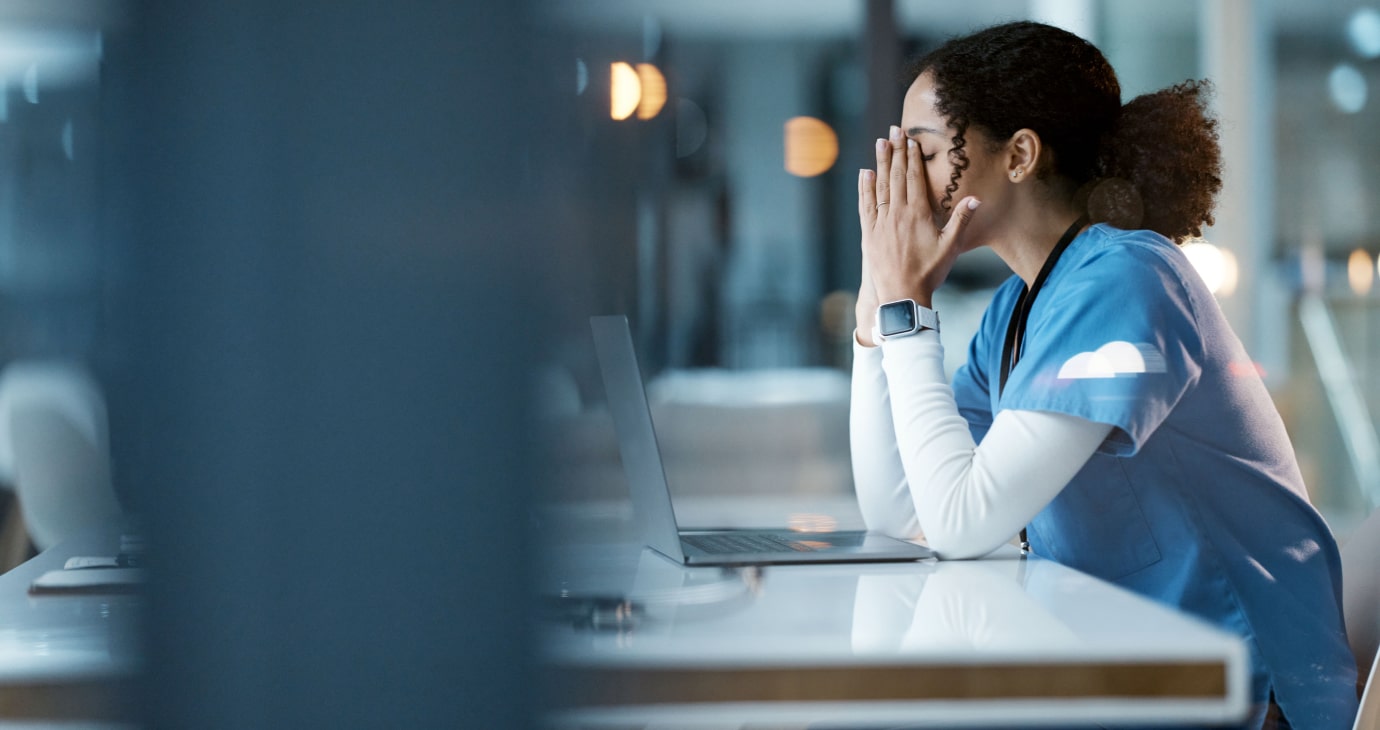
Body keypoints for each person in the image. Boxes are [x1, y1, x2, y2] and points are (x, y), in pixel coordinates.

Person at [850, 21, 1357, 730]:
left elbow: (961, 521)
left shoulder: (1128, 281)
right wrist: (879, 306)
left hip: (1240, 695)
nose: (906, 182)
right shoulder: (1016, 311)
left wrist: (909, 308)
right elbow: (904, 514)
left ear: (1020, 154)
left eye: (925, 152)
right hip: (1122, 674)